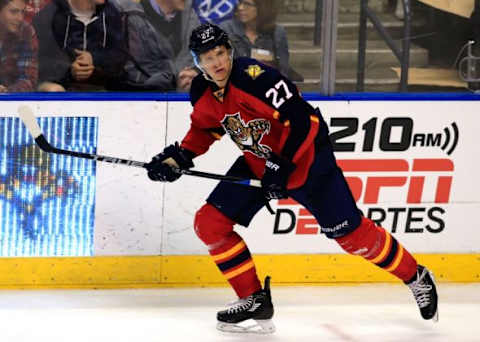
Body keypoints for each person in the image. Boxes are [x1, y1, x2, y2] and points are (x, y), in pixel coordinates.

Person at [145, 23, 439, 333]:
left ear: (230, 51)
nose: (216, 63)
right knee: (210, 223)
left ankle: (415, 276)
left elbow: (304, 120)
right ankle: (253, 299)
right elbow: (208, 128)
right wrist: (178, 158)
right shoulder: (202, 91)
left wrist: (281, 164)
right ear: (196, 61)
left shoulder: (256, 78)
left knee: (352, 237)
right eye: (207, 58)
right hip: (259, 162)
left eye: (220, 53)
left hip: (308, 163)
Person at [33, 0, 127, 91]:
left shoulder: (110, 13)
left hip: (104, 91)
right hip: (62, 90)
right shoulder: (51, 14)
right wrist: (69, 70)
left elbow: (120, 56)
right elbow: (41, 61)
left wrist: (93, 58)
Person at [220, 0, 302, 81]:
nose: (240, 8)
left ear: (262, 7)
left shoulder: (277, 32)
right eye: (240, 3)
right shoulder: (226, 29)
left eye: (247, 4)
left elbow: (283, 69)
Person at [136, 0, 201, 91]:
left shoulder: (195, 13)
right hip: (144, 100)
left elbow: (203, 56)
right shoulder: (131, 16)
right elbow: (133, 73)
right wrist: (174, 80)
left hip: (186, 100)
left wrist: (197, 72)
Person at [0, 0, 38, 92]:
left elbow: (28, 80)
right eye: (14, 12)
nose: (20, 18)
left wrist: (6, 92)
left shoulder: (26, 31)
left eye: (23, 12)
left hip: (11, 98)